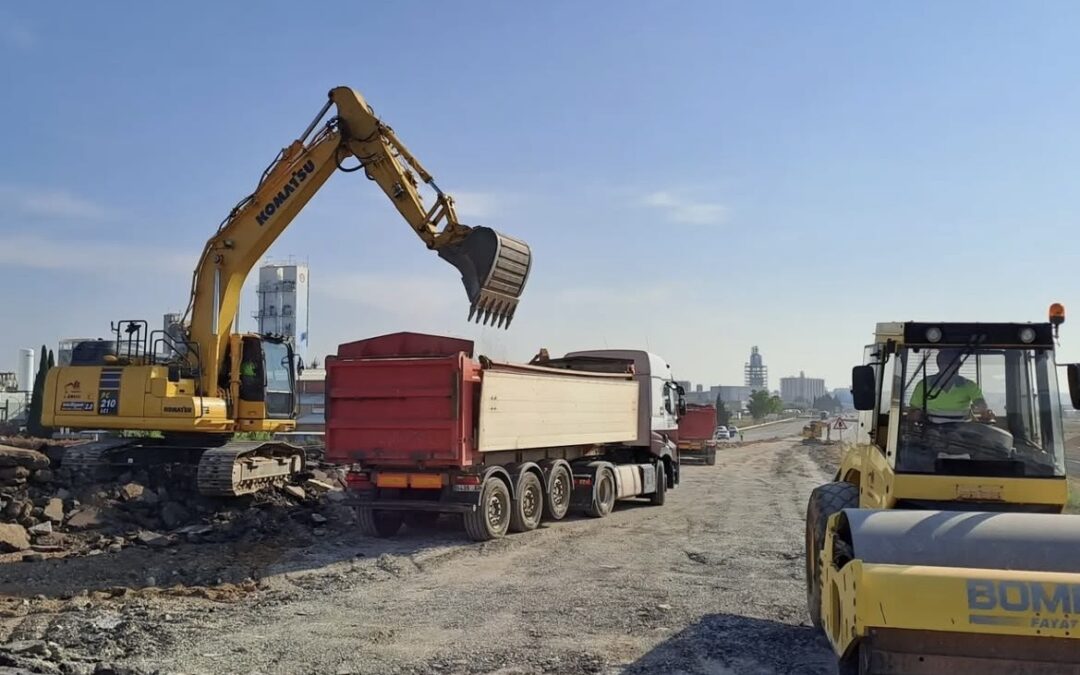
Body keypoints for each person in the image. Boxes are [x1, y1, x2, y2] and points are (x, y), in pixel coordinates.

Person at [908, 348, 992, 424]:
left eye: (955, 363)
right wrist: (915, 414)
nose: (952, 367)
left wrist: (984, 411)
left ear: (959, 365)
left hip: (963, 431)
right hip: (931, 430)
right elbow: (913, 411)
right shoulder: (924, 384)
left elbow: (980, 403)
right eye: (947, 363)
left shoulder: (969, 385)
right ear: (939, 364)